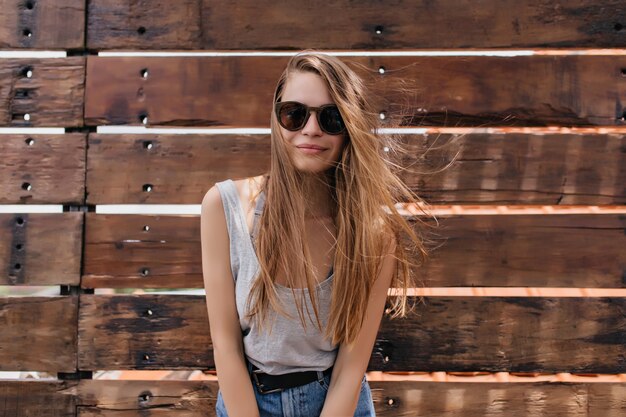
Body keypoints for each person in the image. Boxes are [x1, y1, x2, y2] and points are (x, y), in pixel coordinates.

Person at [201, 50, 431, 417]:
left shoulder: (373, 233)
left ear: (349, 129)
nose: (311, 129)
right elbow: (225, 346)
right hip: (246, 401)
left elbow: (350, 368)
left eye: (331, 118)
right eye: (294, 114)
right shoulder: (223, 207)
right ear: (277, 120)